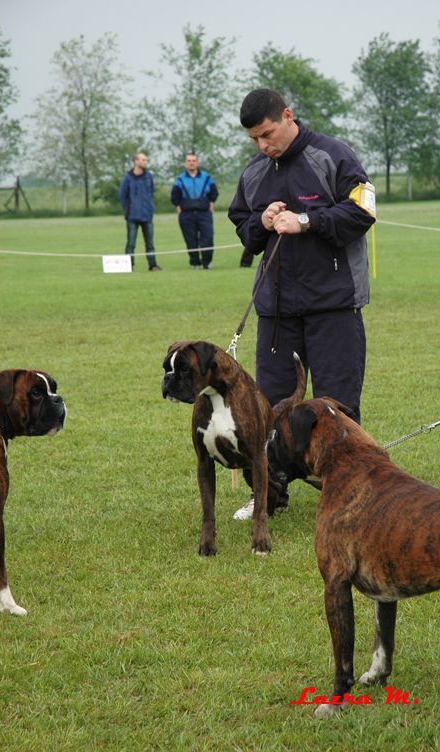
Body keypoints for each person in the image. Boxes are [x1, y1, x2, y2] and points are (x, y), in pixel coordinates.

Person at [228, 88, 376, 517]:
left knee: (336, 405)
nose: (262, 145)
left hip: (334, 305)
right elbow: (244, 227)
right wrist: (263, 220)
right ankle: (269, 494)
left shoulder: (333, 156)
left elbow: (364, 212)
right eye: (254, 139)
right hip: (276, 310)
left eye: (267, 134)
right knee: (270, 407)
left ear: (288, 117)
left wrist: (307, 220)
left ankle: (348, 492)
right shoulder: (254, 173)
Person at [171, 153, 219, 269]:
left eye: (193, 160)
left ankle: (207, 262)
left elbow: (214, 192)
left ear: (197, 162)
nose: (191, 162)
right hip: (186, 214)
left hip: (204, 213)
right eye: (188, 161)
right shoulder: (180, 179)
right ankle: (195, 263)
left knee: (208, 238)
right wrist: (178, 207)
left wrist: (211, 203)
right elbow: (174, 196)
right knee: (190, 240)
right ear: (185, 163)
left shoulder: (206, 177)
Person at [118, 153, 161, 271]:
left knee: (150, 243)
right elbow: (122, 195)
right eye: (143, 160)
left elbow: (151, 193)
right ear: (136, 161)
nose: (145, 162)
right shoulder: (127, 178)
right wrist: (128, 209)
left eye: (146, 160)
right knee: (131, 243)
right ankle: (128, 266)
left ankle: (153, 265)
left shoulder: (149, 177)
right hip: (132, 216)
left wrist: (150, 207)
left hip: (147, 215)